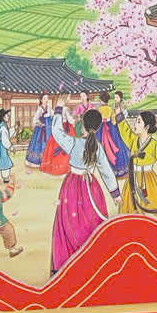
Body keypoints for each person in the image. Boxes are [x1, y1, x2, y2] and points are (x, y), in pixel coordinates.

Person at [47, 105, 115, 277]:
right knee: (92, 225)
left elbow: (56, 132)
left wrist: (58, 110)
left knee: (67, 223)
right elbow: (106, 171)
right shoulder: (97, 147)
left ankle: (65, 266)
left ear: (82, 125)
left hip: (71, 186)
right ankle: (92, 266)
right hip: (91, 188)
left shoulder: (73, 142)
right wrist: (115, 193)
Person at [95, 91, 131, 204]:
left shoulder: (99, 110)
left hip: (101, 129)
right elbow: (114, 122)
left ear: (101, 100)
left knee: (100, 147)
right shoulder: (111, 110)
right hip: (111, 130)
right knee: (116, 146)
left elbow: (97, 121)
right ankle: (119, 169)